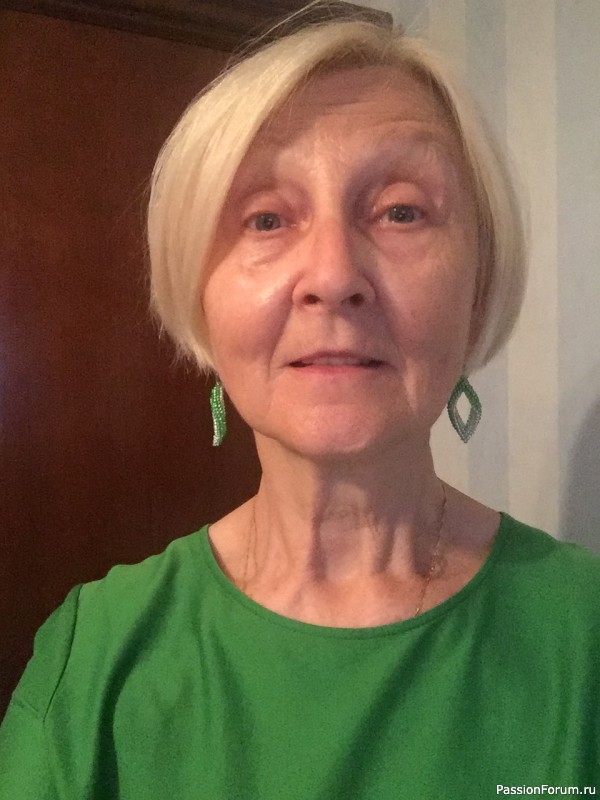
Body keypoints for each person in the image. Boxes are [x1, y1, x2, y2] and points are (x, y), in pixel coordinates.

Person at [1, 6, 599, 799]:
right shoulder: (96, 659)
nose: (333, 275)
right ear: (200, 298)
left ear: (478, 286)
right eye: (266, 218)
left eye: (402, 210)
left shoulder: (584, 637)